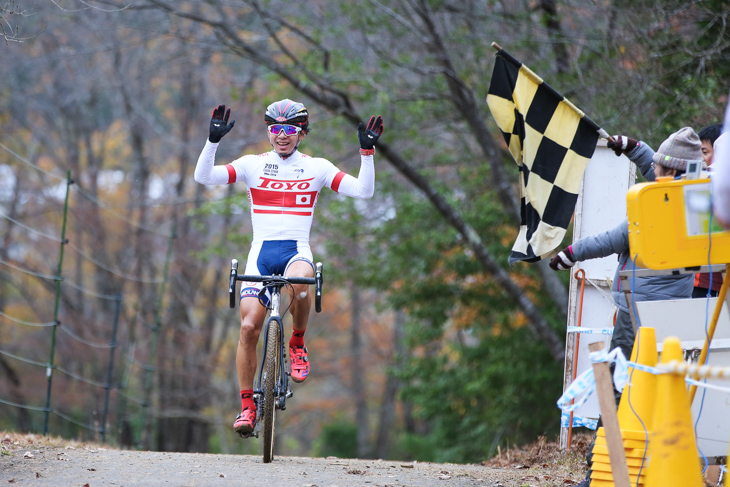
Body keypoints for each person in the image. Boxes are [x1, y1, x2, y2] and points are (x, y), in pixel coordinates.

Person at [194, 100, 384, 436]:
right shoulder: (254, 164)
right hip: (261, 254)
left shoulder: (317, 168)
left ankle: (297, 341)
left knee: (300, 279)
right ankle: (248, 407)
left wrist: (366, 153)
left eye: (290, 130)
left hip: (296, 250)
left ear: (302, 135)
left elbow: (364, 192)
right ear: (269, 132)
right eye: (276, 129)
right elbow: (204, 176)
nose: (282, 136)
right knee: (249, 328)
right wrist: (213, 141)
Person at [552, 128, 699, 487]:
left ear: (670, 174)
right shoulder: (700, 201)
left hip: (636, 320)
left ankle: (599, 470)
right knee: (669, 394)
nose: (656, 171)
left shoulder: (651, 211)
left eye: (661, 168)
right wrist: (634, 148)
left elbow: (610, 240)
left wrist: (568, 255)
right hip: (680, 319)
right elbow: (663, 174)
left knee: (617, 391)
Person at [607, 125, 725, 298]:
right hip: (691, 282)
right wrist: (636, 148)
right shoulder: (698, 184)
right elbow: (666, 176)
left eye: (705, 152)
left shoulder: (713, 187)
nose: (702, 160)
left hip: (708, 283)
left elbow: (668, 176)